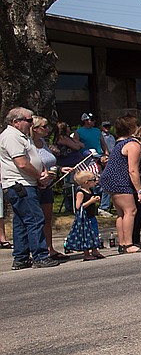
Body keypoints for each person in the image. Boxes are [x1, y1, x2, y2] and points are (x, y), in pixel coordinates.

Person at [1, 107, 58, 269]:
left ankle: (21, 257)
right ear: (16, 122)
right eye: (28, 120)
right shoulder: (11, 137)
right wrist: (39, 176)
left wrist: (43, 172)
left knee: (21, 222)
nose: (31, 123)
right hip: (20, 184)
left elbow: (35, 158)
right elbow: (22, 163)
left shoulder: (23, 137)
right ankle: (40, 255)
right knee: (34, 219)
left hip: (27, 183)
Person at [98, 115, 141, 254]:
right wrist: (139, 191)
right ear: (133, 128)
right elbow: (133, 169)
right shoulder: (133, 145)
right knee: (131, 211)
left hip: (109, 180)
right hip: (120, 180)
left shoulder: (119, 144)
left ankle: (123, 243)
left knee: (121, 214)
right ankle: (129, 244)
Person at [30, 116, 67, 260]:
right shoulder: (28, 144)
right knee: (35, 219)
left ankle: (49, 248)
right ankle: (36, 249)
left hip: (47, 184)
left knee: (47, 218)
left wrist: (60, 168)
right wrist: (40, 175)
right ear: (34, 129)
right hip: (34, 184)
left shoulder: (43, 142)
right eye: (43, 127)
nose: (46, 129)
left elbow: (48, 161)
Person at [63, 168, 104, 260]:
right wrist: (91, 201)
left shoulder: (91, 191)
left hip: (92, 216)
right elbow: (78, 206)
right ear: (86, 182)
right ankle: (86, 253)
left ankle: (95, 250)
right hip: (84, 218)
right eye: (93, 180)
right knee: (86, 235)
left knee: (95, 233)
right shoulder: (80, 193)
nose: (95, 181)